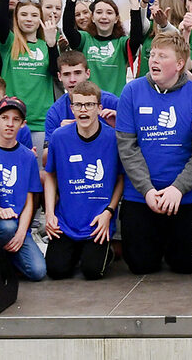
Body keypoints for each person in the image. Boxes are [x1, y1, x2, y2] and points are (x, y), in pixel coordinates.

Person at [115, 32, 192, 274]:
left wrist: (178, 188)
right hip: (141, 196)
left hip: (185, 197)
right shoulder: (131, 91)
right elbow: (127, 147)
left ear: (179, 64)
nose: (154, 60)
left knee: (185, 266)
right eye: (152, 54)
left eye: (162, 55)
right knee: (140, 266)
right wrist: (147, 190)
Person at [43, 81, 124, 280]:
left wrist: (109, 212)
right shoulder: (59, 138)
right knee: (56, 271)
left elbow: (121, 179)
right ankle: (74, 250)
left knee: (92, 272)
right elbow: (50, 175)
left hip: (97, 222)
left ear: (99, 108)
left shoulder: (113, 138)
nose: (83, 110)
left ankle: (103, 251)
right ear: (72, 109)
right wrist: (50, 214)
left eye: (89, 105)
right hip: (66, 222)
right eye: (78, 105)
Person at [0, 96, 46, 281]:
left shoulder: (28, 156)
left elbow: (30, 200)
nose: (10, 124)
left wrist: (22, 233)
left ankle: (5, 255)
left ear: (23, 124)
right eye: (5, 118)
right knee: (6, 227)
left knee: (38, 272)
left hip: (17, 224)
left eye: (16, 119)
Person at [0, 0, 60, 145]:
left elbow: (57, 73)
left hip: (40, 122)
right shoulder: (9, 43)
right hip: (12, 120)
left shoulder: (47, 44)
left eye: (33, 15)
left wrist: (52, 44)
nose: (29, 19)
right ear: (16, 18)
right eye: (23, 14)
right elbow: (0, 18)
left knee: (38, 172)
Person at [63, 0, 143, 95]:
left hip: (114, 106)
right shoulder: (85, 40)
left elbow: (137, 37)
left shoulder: (122, 44)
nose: (104, 16)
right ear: (93, 17)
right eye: (99, 12)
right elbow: (68, 29)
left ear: (116, 18)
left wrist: (134, 4)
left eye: (109, 13)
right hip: (88, 105)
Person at [43, 52, 118, 132]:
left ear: (87, 73)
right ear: (59, 76)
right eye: (66, 74)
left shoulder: (111, 102)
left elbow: (129, 138)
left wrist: (119, 124)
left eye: (77, 73)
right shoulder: (55, 112)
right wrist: (60, 134)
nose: (72, 80)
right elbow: (49, 143)